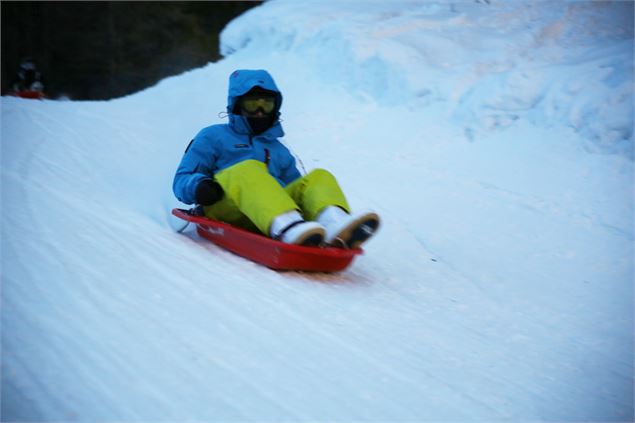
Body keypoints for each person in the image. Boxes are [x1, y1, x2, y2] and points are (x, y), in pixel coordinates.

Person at [173, 69, 379, 247]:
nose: (261, 111)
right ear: (237, 105)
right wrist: (200, 186)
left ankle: (334, 222)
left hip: (270, 213)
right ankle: (288, 227)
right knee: (247, 169)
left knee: (319, 177)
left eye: (267, 104)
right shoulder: (212, 136)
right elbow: (182, 179)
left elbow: (297, 189)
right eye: (253, 104)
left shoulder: (278, 149)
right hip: (226, 208)